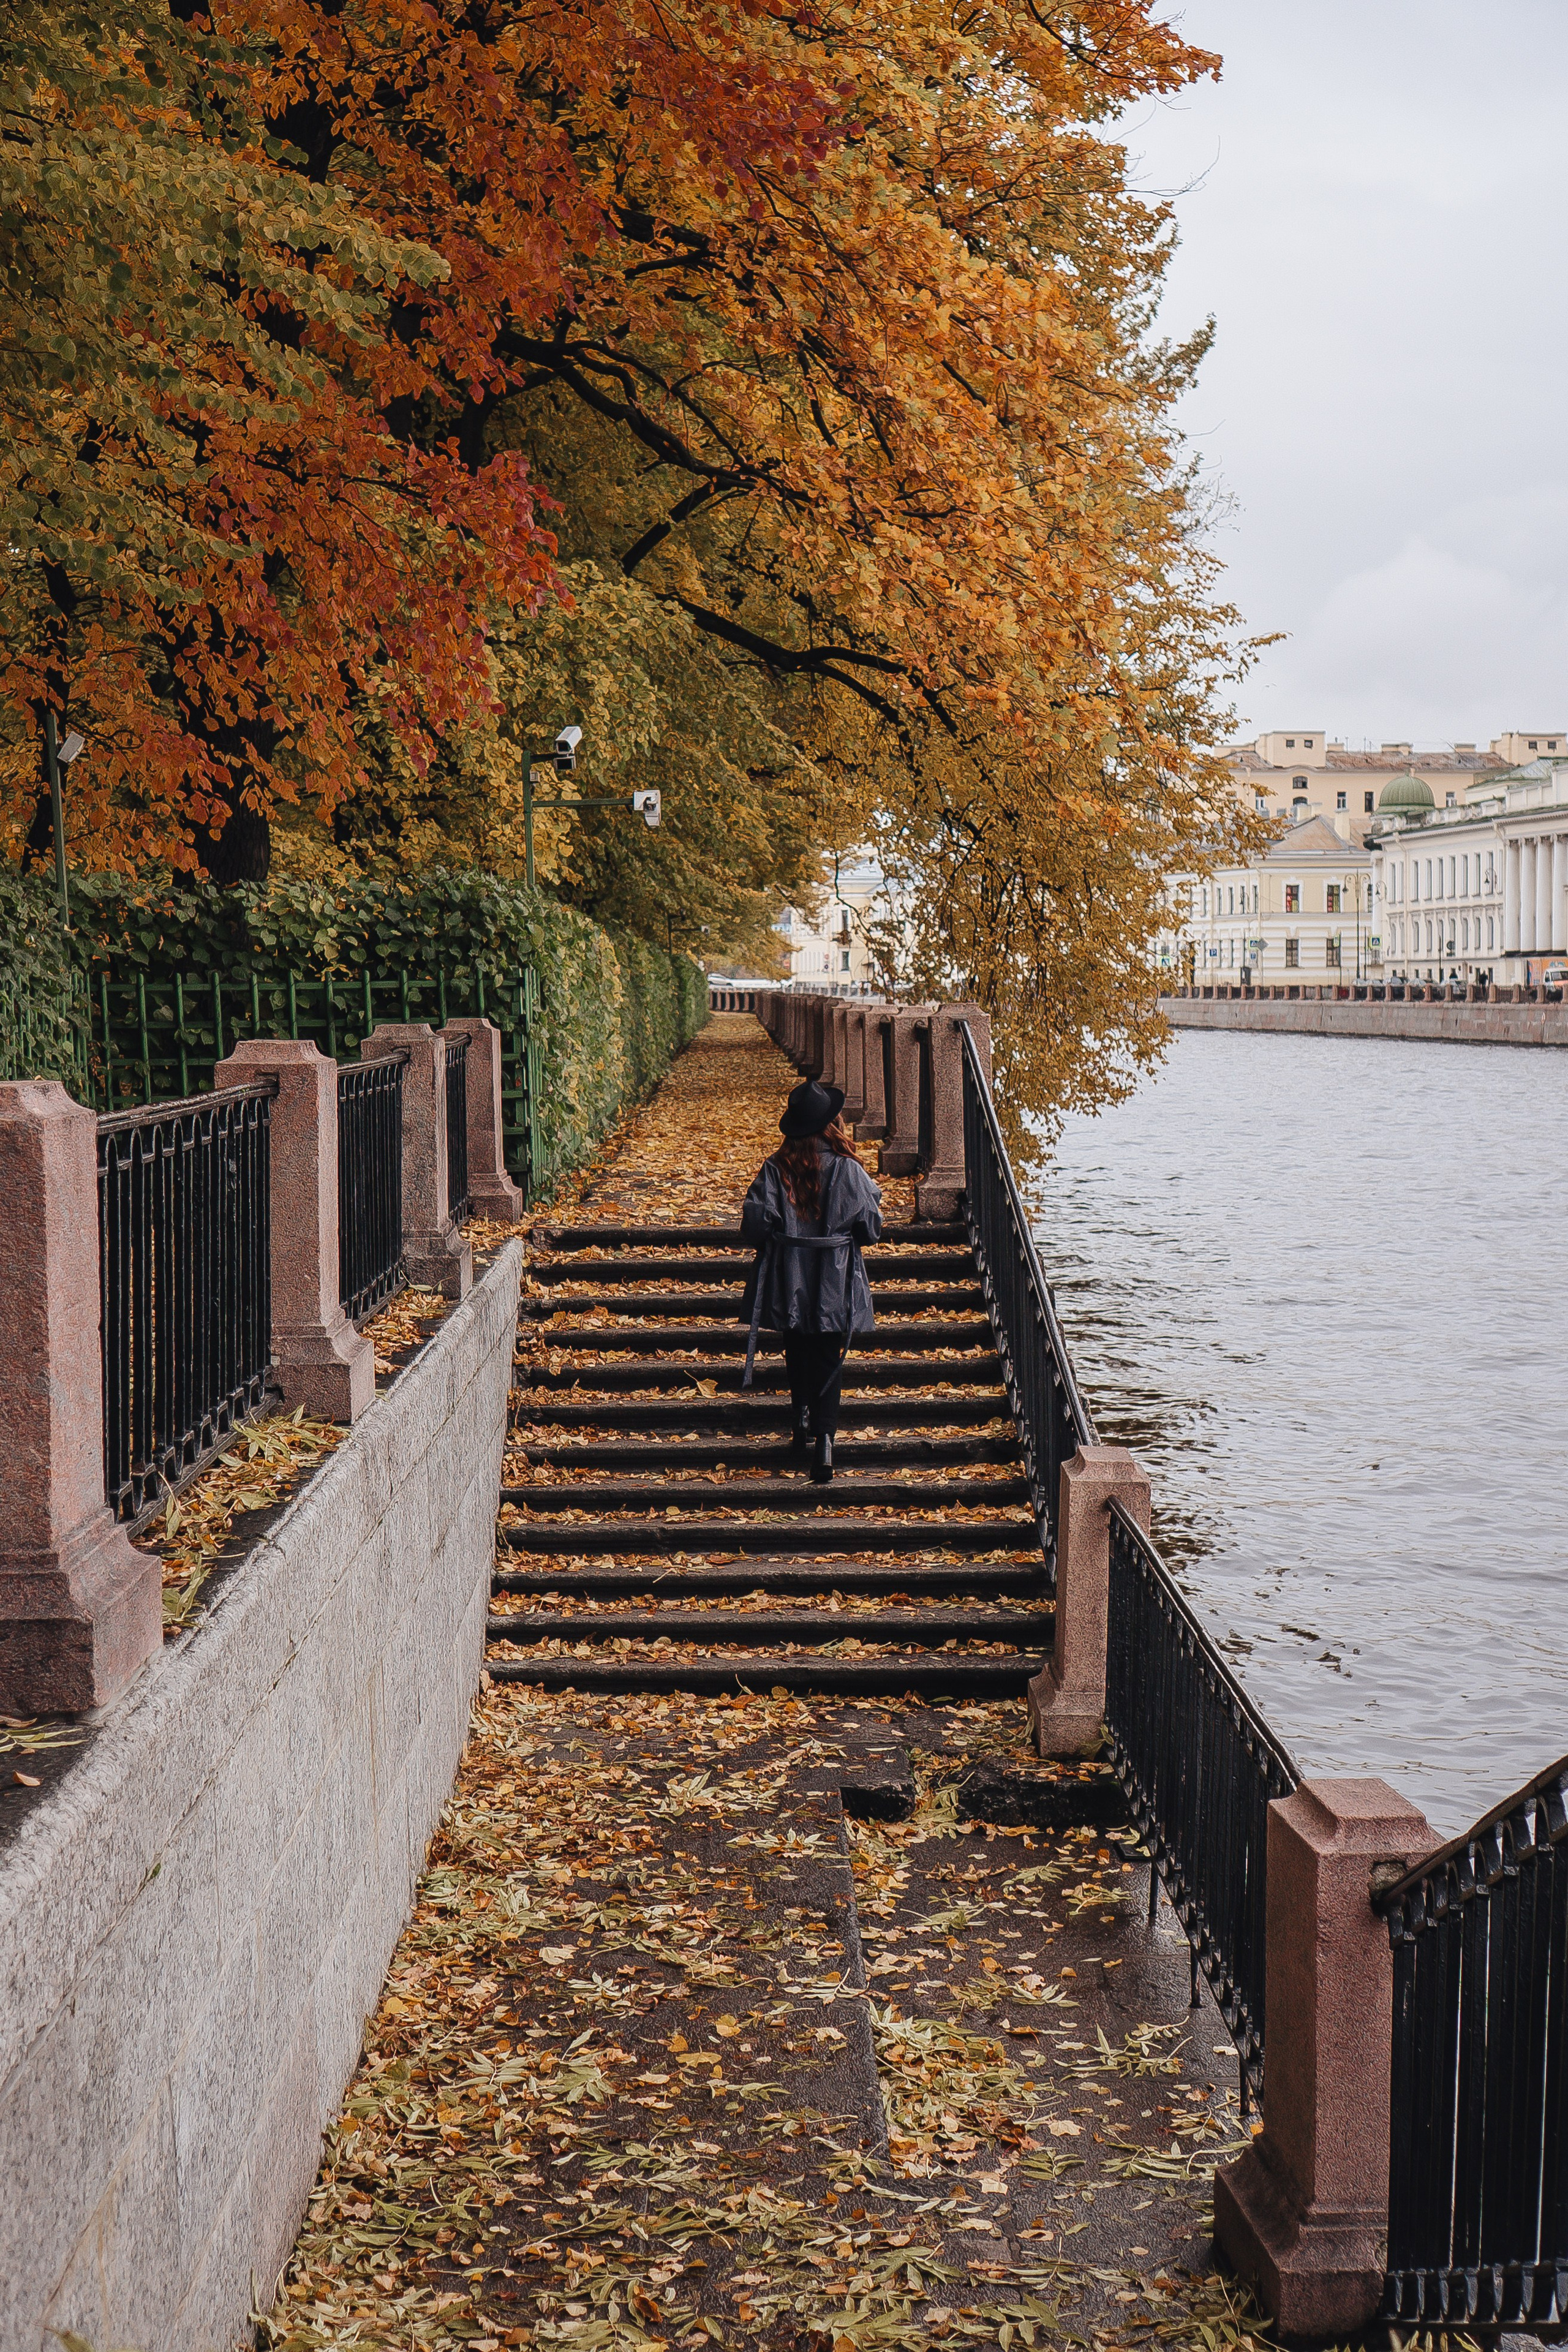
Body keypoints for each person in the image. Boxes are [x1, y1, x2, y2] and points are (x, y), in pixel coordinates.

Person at [737, 1077, 883, 1484]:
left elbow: (753, 1225)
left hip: (790, 1277)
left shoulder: (776, 1168)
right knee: (827, 1355)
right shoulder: (849, 1170)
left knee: (796, 1348)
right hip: (834, 1280)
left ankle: (800, 1420)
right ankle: (825, 1442)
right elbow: (871, 1229)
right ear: (829, 1124)